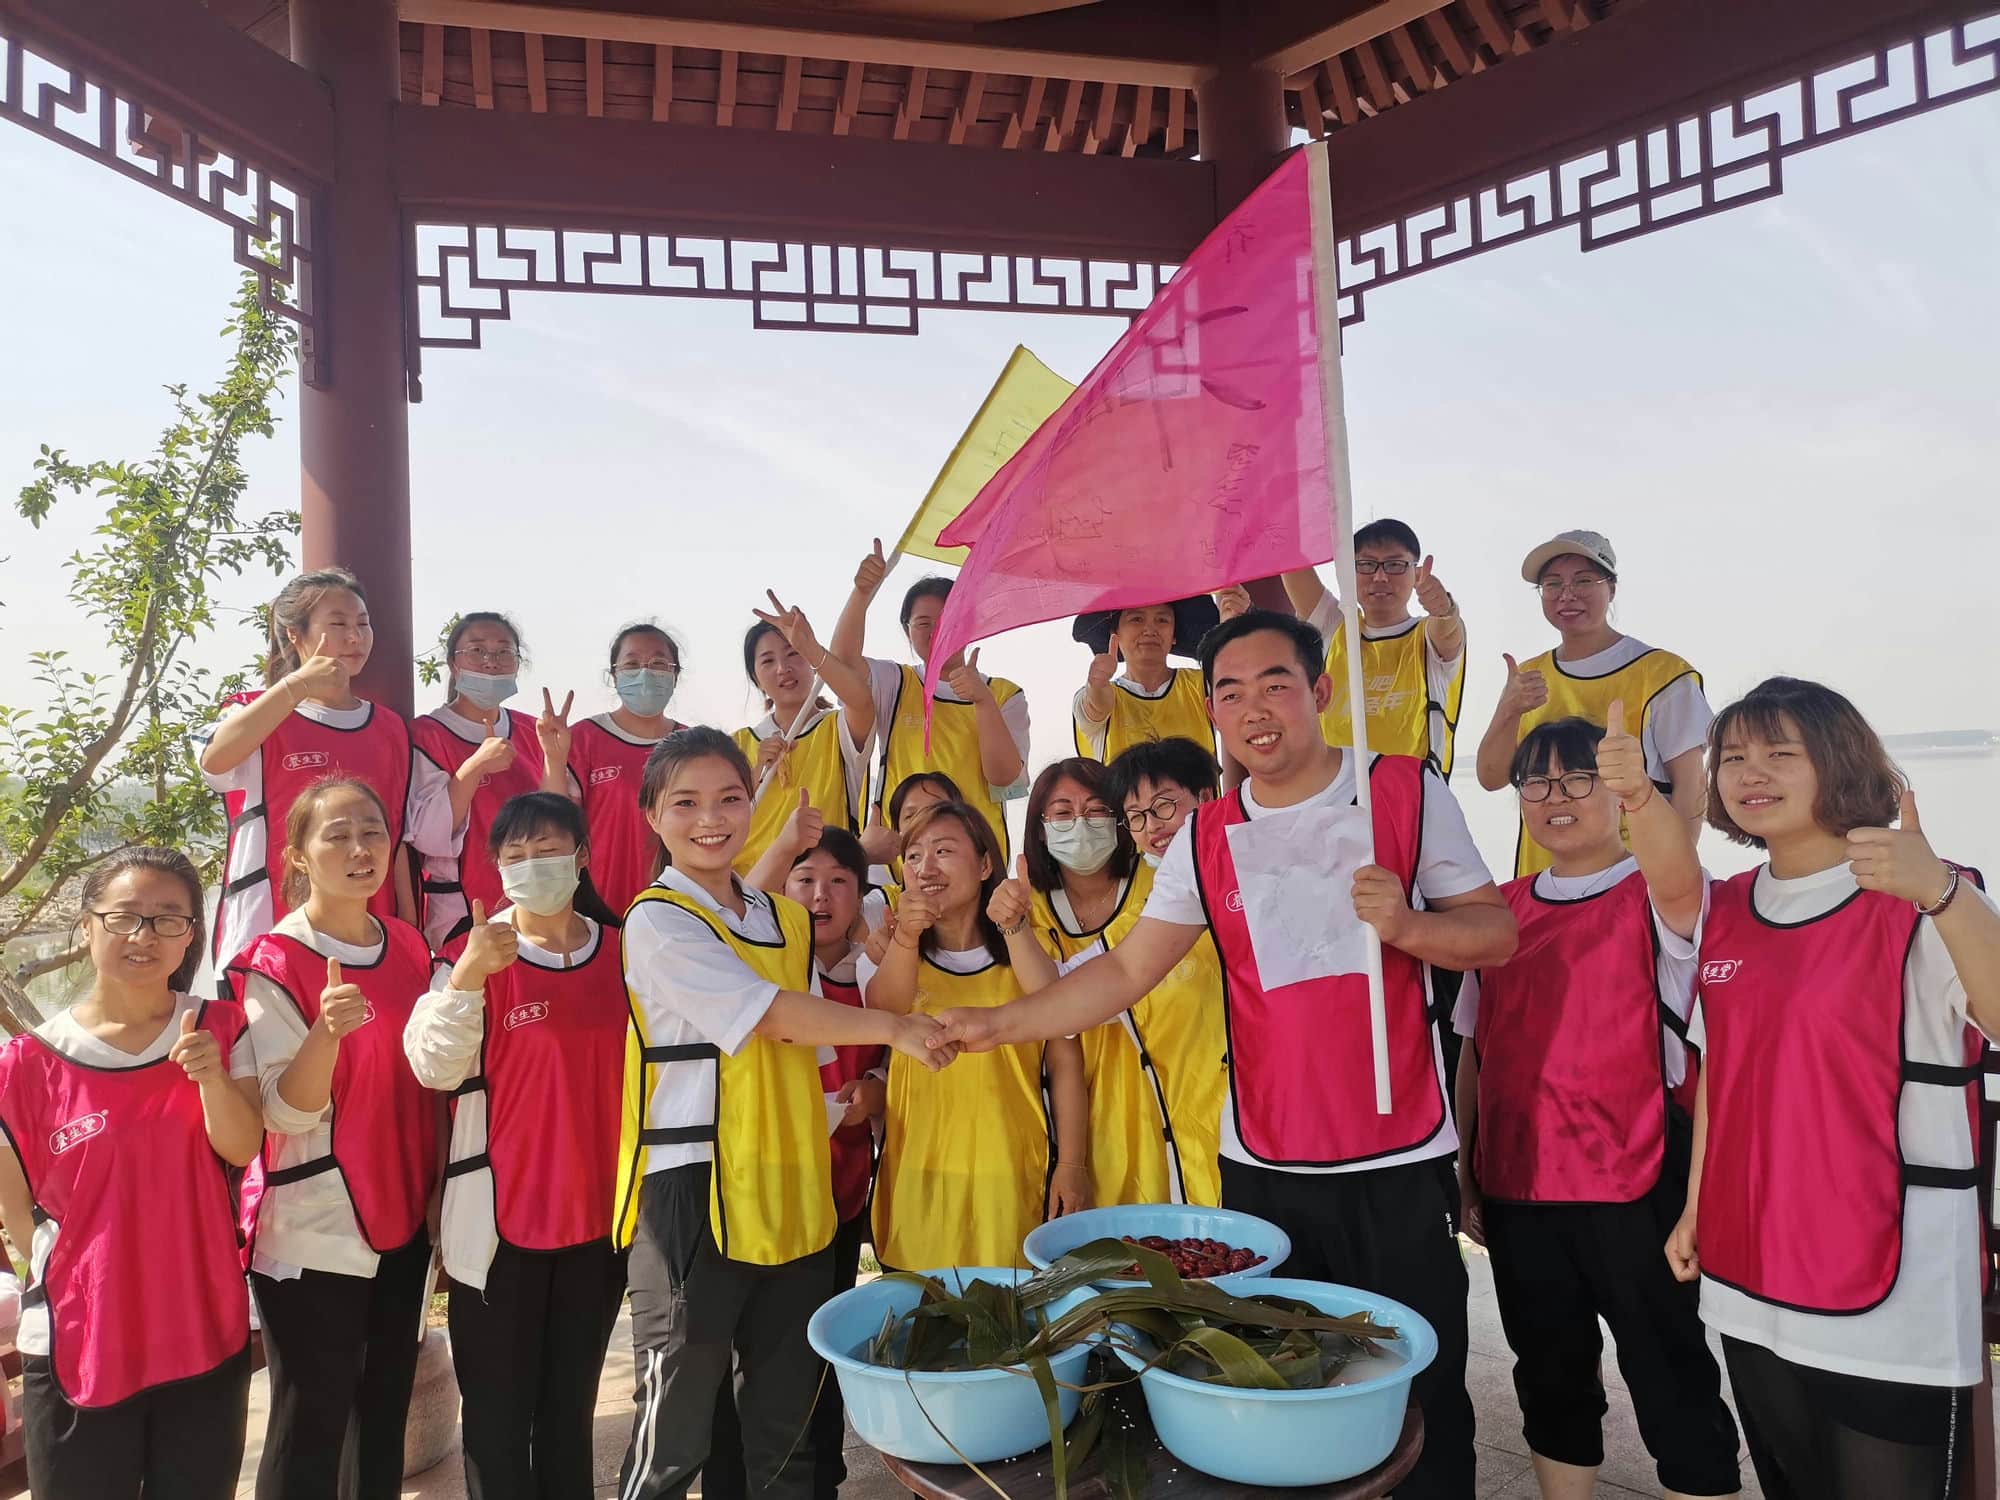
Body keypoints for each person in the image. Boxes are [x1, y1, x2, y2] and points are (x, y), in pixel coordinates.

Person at [930, 610, 1516, 1500]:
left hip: (1397, 1155)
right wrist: (995, 1026)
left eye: (1276, 684)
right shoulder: (1206, 838)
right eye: (1231, 693)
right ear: (1213, 711)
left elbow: (1496, 934)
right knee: (1283, 1387)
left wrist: (1407, 925)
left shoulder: (1403, 790)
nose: (1254, 709)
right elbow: (1125, 972)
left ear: (1321, 690)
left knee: (1416, 1388)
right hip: (1265, 1165)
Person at [1630, 678, 2000, 1500]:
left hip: (1892, 1281)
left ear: (1839, 761)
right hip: (1748, 1269)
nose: (1750, 772)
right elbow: (1722, 1075)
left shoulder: (1924, 891)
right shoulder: (1729, 907)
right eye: (1733, 757)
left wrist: (1941, 892)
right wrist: (1696, 1208)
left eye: (1780, 752)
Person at [613, 727, 951, 1500]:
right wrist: (895, 1029)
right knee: (673, 1438)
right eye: (686, 803)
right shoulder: (657, 920)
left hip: (788, 1184)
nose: (711, 818)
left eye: (729, 798)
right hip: (695, 1189)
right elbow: (768, 1013)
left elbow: (775, 940)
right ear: (652, 815)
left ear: (751, 803)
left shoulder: (781, 916)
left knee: (787, 1432)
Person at [1452, 716, 1740, 1500]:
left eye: (1579, 778)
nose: (1556, 798)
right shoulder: (1499, 910)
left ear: (1616, 791)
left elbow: (1682, 880)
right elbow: (1477, 1050)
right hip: (1520, 1185)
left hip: (1637, 1183)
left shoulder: (1660, 896)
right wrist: (1468, 1173)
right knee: (1548, 1374)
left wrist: (1646, 798)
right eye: (1536, 783)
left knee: (1671, 1370)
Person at [0, 849, 261, 1500]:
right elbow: (16, 1206)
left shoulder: (220, 1028)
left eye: (168, 918)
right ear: (87, 926)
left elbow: (242, 1146)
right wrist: (71, 1278)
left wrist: (209, 1078)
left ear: (191, 935)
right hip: (81, 1342)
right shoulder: (28, 1063)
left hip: (202, 1327)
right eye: (124, 917)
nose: (144, 935)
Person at [404, 792, 629, 1500]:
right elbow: (433, 1066)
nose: (534, 866)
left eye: (549, 850)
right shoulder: (475, 955)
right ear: (497, 869)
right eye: (516, 855)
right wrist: (468, 976)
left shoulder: (623, 953)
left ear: (581, 857)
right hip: (502, 1231)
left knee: (569, 1414)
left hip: (599, 1227)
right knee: (497, 1423)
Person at [226, 776, 442, 1500]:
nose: (360, 850)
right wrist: (325, 1032)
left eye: (372, 832)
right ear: (297, 855)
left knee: (382, 1412)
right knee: (310, 1420)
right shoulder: (273, 961)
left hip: (404, 1211)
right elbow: (282, 1115)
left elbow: (430, 1080)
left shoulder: (407, 946)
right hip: (315, 1228)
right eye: (337, 835)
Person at [706, 827, 886, 1500]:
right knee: (736, 1361)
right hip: (753, 1193)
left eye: (839, 881)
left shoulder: (875, 977)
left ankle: (820, 1481)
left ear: (862, 896)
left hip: (835, 1198)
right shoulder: (751, 967)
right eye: (804, 879)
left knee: (818, 1356)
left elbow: (898, 1057)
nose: (820, 896)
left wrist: (877, 1091)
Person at [197, 567, 463, 972]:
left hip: (372, 934)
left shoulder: (390, 728)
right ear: (294, 634)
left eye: (363, 624)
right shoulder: (255, 711)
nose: (354, 637)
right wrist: (296, 687)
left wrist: (407, 930)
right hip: (272, 931)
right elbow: (215, 761)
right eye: (337, 624)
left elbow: (395, 838)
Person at [863, 799, 1090, 1269]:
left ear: (986, 864)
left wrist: (1072, 1164)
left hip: (1010, 1173)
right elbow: (883, 1013)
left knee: (1008, 1303)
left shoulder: (1026, 950)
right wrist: (905, 938)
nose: (926, 868)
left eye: (944, 851)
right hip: (917, 1176)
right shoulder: (898, 951)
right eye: (913, 856)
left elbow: (1063, 1045)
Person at [1474, 530, 1709, 877]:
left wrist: (1678, 873)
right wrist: (1509, 710)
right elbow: (1491, 777)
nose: (1567, 594)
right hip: (1541, 879)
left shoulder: (1663, 675)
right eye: (1552, 584)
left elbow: (1691, 788)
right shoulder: (1528, 676)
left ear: (1611, 588)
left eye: (1584, 581)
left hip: (1633, 878)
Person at [1018, 758, 1160, 1207]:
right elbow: (1050, 1009)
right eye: (1063, 812)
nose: (1081, 823)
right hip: (1078, 1107)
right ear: (1041, 828)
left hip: (1166, 1085)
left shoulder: (1159, 883)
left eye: (1097, 809)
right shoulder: (1026, 906)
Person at [830, 540, 1029, 858]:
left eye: (950, 621)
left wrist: (983, 702)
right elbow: (840, 665)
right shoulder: (895, 682)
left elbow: (1006, 781)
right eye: (923, 623)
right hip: (900, 860)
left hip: (975, 862)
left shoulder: (1005, 695)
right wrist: (862, 594)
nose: (937, 631)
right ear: (907, 631)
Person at [1219, 518, 1466, 772]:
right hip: (1336, 792)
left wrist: (1444, 609)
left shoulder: (1427, 637)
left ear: (1416, 573)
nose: (1380, 576)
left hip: (1414, 793)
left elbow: (1447, 630)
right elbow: (1288, 554)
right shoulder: (1335, 628)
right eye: (1366, 565)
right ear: (1349, 572)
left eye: (1395, 565)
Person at [1099, 737, 1230, 1207]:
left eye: (1164, 806)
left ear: (1206, 797)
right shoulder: (1133, 920)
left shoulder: (1256, 875)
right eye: (1136, 816)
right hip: (1193, 1130)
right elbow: (1074, 988)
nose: (1152, 826)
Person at [411, 612, 575, 947]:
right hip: (464, 911)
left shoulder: (534, 730)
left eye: (503, 652)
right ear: (453, 664)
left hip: (537, 900)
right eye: (477, 651)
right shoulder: (426, 734)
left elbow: (555, 820)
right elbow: (427, 835)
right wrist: (474, 768)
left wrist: (555, 760)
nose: (491, 661)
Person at [732, 592, 876, 875]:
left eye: (793, 654)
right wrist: (755, 773)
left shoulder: (838, 727)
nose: (783, 669)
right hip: (749, 890)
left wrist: (810, 646)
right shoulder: (735, 744)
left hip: (821, 887)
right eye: (768, 661)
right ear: (756, 678)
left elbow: (863, 702)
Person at [567, 622, 689, 914]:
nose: (645, 673)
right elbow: (557, 825)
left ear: (675, 675)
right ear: (614, 675)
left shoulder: (693, 745)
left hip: (679, 905)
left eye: (658, 663)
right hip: (599, 908)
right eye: (632, 664)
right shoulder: (582, 739)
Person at [1070, 596, 1220, 761]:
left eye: (1162, 620)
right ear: (1115, 633)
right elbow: (1095, 706)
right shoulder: (1095, 694)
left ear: (1174, 634)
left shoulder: (1205, 685)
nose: (1150, 630)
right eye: (1137, 619)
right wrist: (1096, 685)